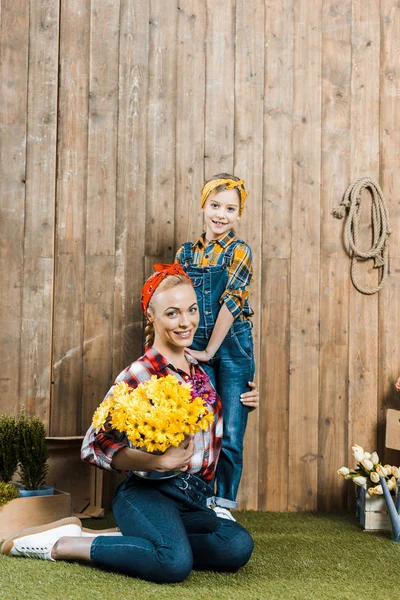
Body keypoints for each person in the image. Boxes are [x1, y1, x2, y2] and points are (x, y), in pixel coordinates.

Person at [1, 264, 256, 584]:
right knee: (173, 564)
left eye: (192, 310)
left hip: (193, 497)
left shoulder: (198, 370)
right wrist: (157, 461)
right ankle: (63, 543)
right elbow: (94, 445)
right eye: (173, 313)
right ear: (152, 316)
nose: (187, 321)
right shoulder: (140, 374)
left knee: (236, 545)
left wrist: (241, 401)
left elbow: (211, 430)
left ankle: (137, 537)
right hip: (148, 493)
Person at [175, 173, 255, 508]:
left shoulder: (240, 251)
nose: (221, 214)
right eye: (215, 205)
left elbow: (231, 303)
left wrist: (209, 350)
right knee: (203, 428)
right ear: (203, 206)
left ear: (239, 215)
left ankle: (224, 507)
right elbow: (177, 305)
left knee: (233, 436)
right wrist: (185, 351)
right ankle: (198, 503)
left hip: (233, 348)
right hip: (195, 347)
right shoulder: (185, 254)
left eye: (230, 208)